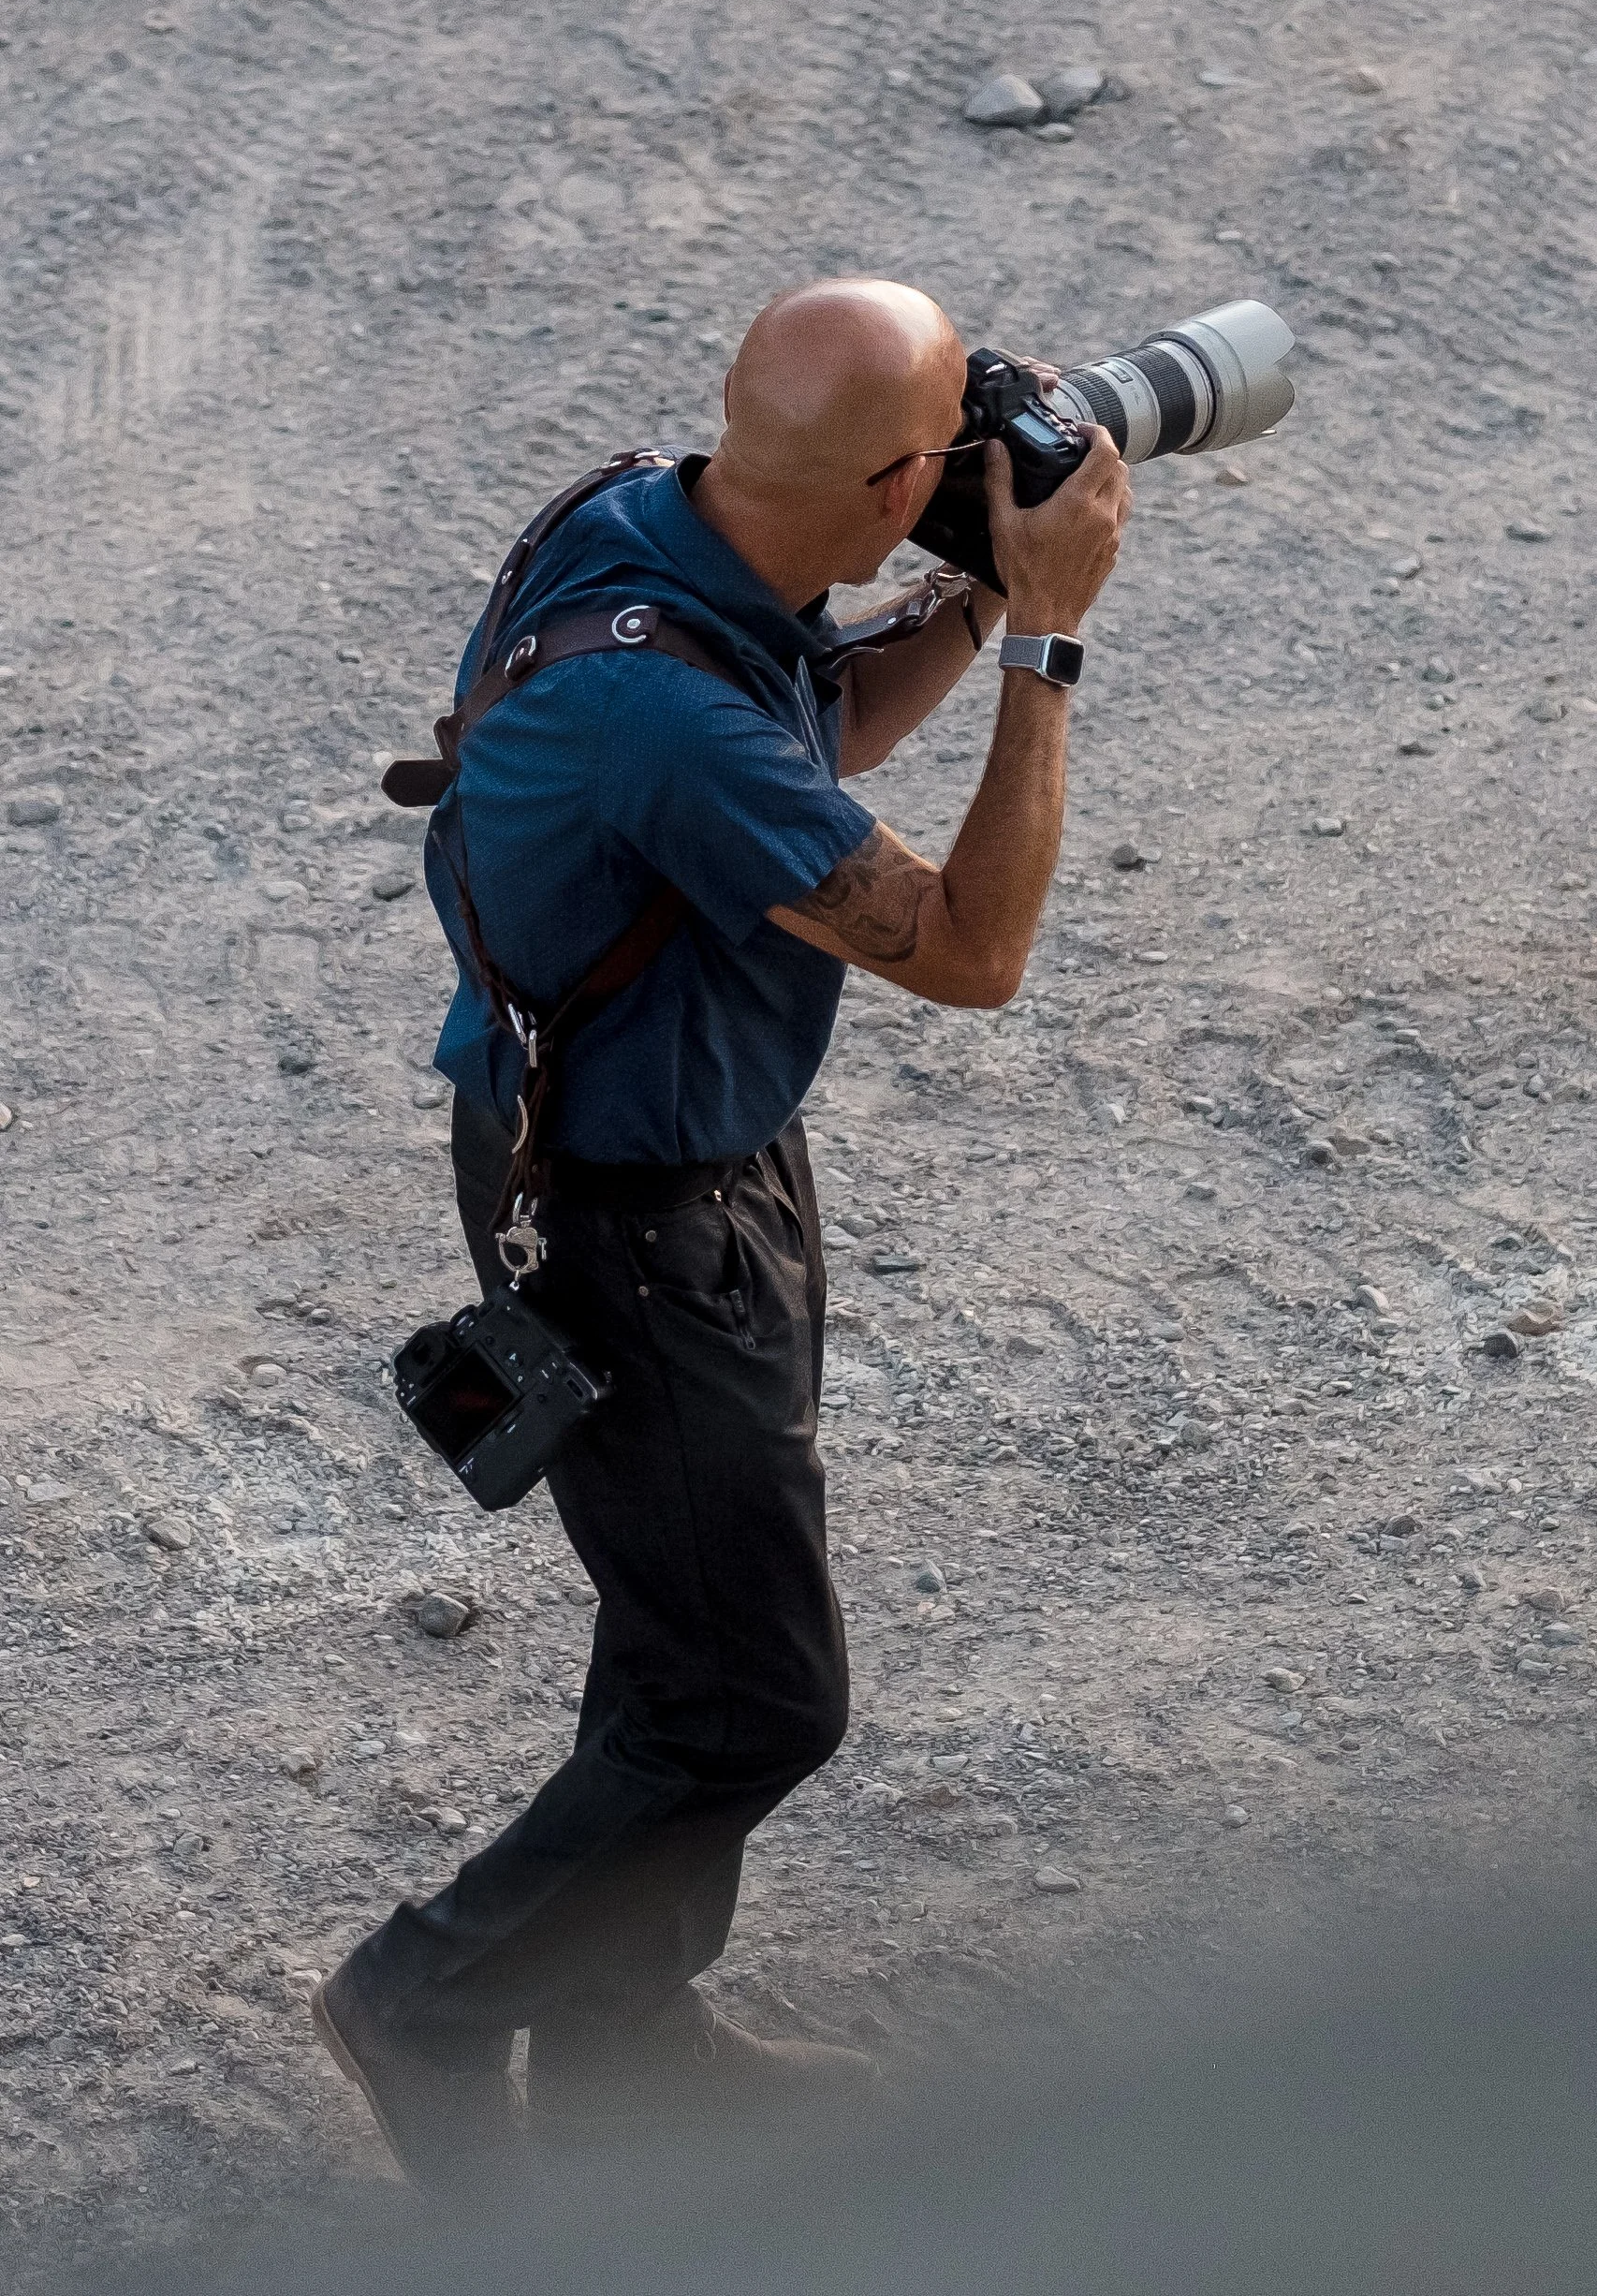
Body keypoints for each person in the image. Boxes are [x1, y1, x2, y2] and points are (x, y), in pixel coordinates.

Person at [311, 278, 1132, 2189]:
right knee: (757, 1693)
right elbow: (969, 951)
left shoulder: (645, 529)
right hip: (637, 1225)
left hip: (685, 1168)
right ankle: (426, 1993)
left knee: (678, 1621)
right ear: (894, 473)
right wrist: (1049, 655)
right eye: (943, 464)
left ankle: (613, 2031)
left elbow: (811, 725)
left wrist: (969, 598)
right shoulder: (657, 716)